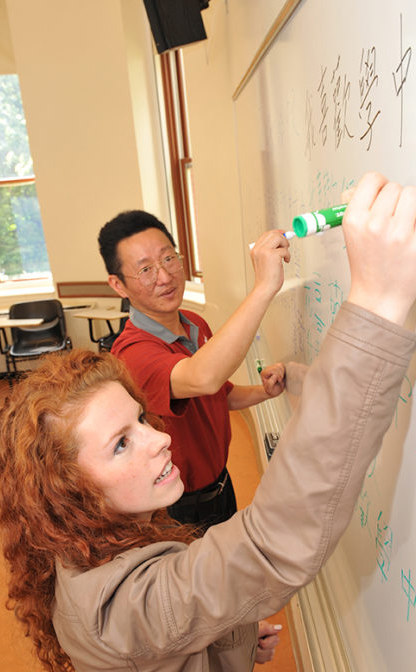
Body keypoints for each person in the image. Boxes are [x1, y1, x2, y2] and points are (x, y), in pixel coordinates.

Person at [0, 172, 416, 672]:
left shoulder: (114, 537)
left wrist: (233, 640)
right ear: (67, 488)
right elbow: (266, 546)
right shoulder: (121, 607)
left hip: (213, 491)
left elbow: (187, 618)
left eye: (141, 420)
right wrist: (377, 301)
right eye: (120, 444)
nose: (159, 439)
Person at [97, 204, 295, 529]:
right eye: (145, 270)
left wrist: (264, 391)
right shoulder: (133, 353)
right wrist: (264, 286)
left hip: (220, 487)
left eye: (168, 258)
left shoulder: (195, 324)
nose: (164, 276)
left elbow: (218, 392)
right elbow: (203, 378)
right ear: (119, 285)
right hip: (177, 511)